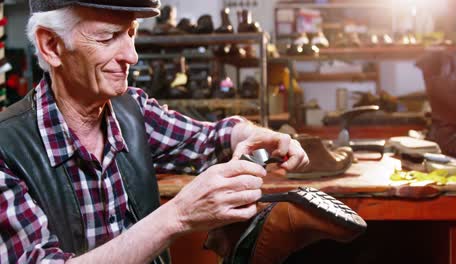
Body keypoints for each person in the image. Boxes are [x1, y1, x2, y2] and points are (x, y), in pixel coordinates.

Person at [0, 1, 308, 263]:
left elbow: (206, 139)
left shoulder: (133, 111)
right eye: (109, 37)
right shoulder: (6, 151)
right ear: (51, 45)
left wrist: (249, 135)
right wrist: (178, 216)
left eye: (131, 33)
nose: (132, 56)